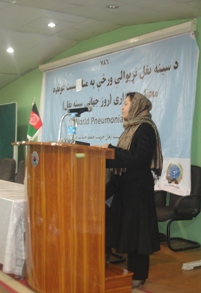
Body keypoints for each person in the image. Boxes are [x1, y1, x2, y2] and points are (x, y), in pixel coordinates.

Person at [101, 92, 163, 289]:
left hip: (137, 189)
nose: (122, 107)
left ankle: (139, 274)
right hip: (124, 186)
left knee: (138, 232)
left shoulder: (145, 128)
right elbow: (126, 157)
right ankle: (108, 261)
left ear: (136, 106)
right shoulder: (131, 128)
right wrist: (107, 156)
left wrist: (112, 150)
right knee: (116, 223)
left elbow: (139, 158)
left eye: (125, 104)